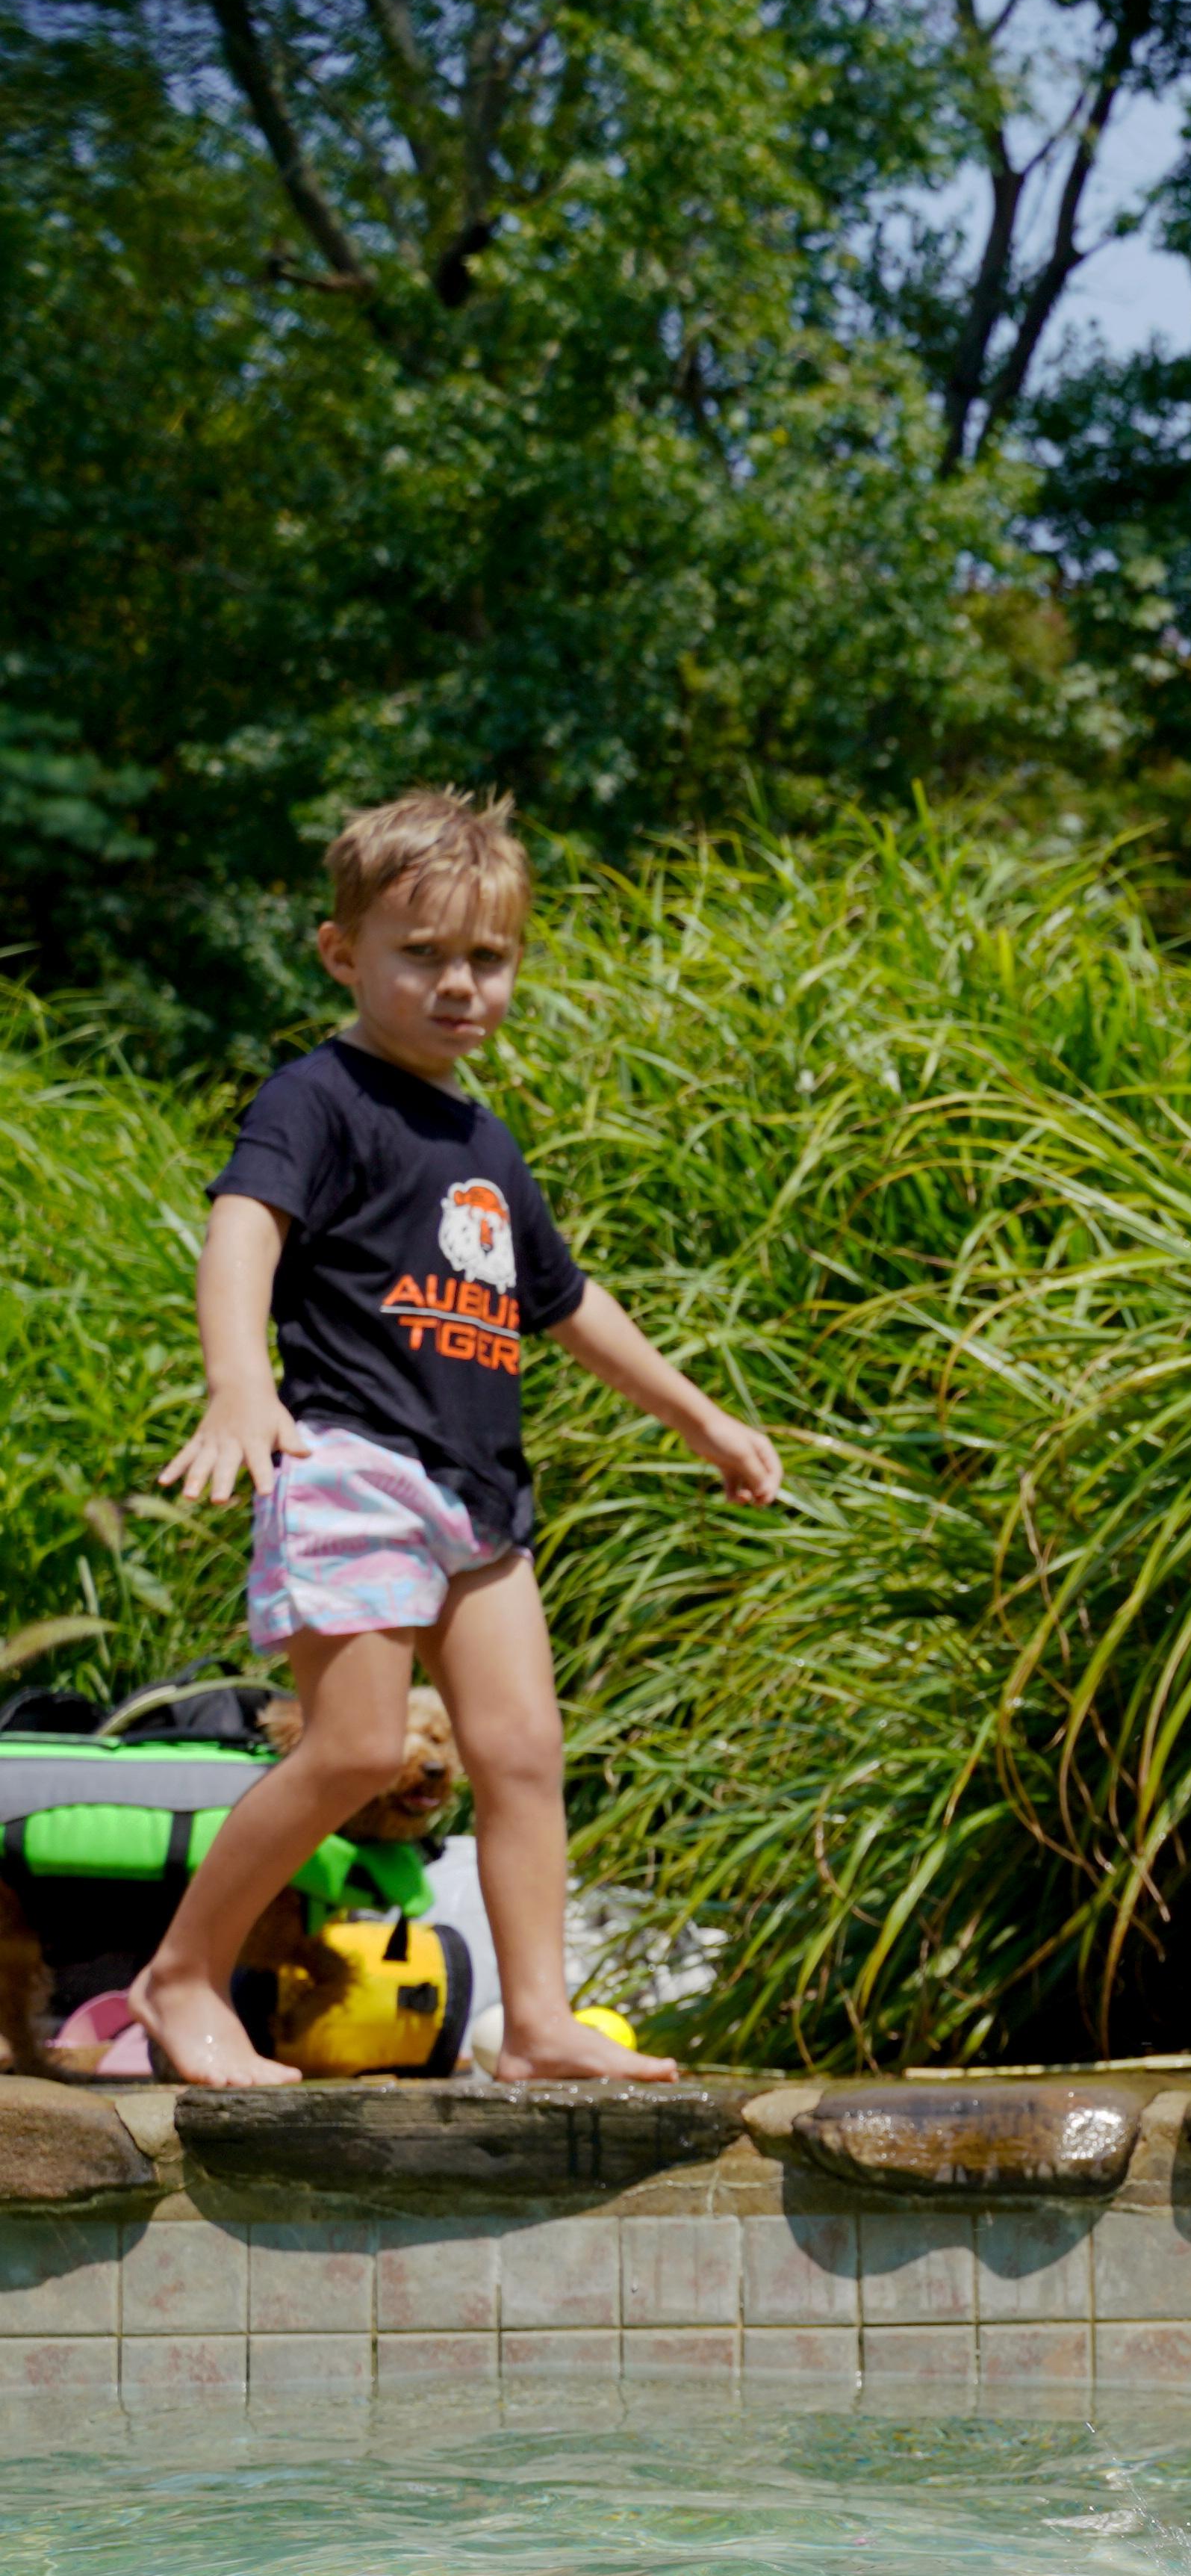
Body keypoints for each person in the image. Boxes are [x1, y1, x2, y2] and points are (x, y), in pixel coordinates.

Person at [123, 790, 780, 2086]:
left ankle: (540, 2023)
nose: (455, 984)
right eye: (419, 955)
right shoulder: (320, 1098)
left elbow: (569, 1304)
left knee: (524, 1755)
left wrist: (700, 1415)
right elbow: (245, 1226)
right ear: (342, 955)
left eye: (485, 959)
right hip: (353, 1464)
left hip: (480, 1496)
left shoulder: (485, 1142)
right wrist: (239, 1384)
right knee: (359, 1748)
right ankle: (179, 1976)